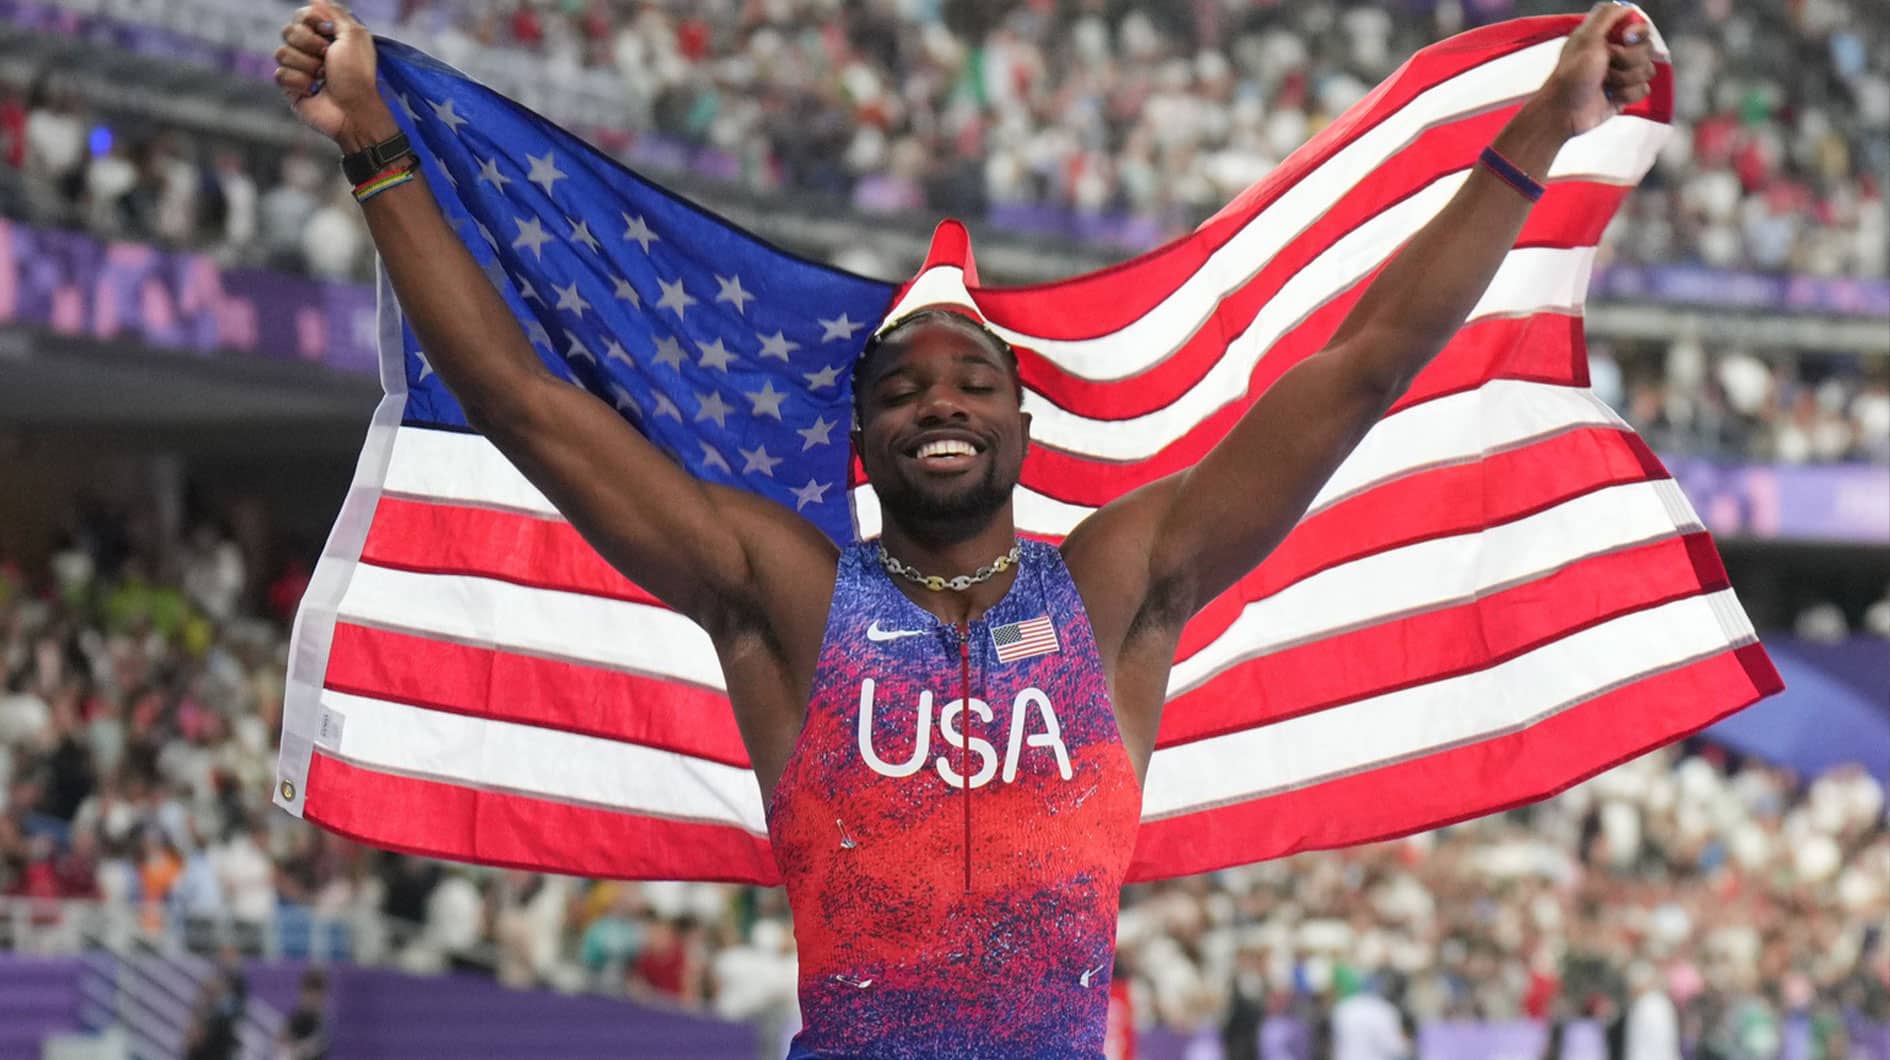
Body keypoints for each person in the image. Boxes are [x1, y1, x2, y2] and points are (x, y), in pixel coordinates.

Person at [270, 3, 1655, 1055]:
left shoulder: (1117, 585)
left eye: (973, 381)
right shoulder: (785, 593)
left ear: (1020, 428)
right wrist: (375, 144)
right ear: (861, 436)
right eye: (903, 386)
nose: (940, 399)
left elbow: (1358, 368)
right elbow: (522, 404)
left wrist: (1538, 128)